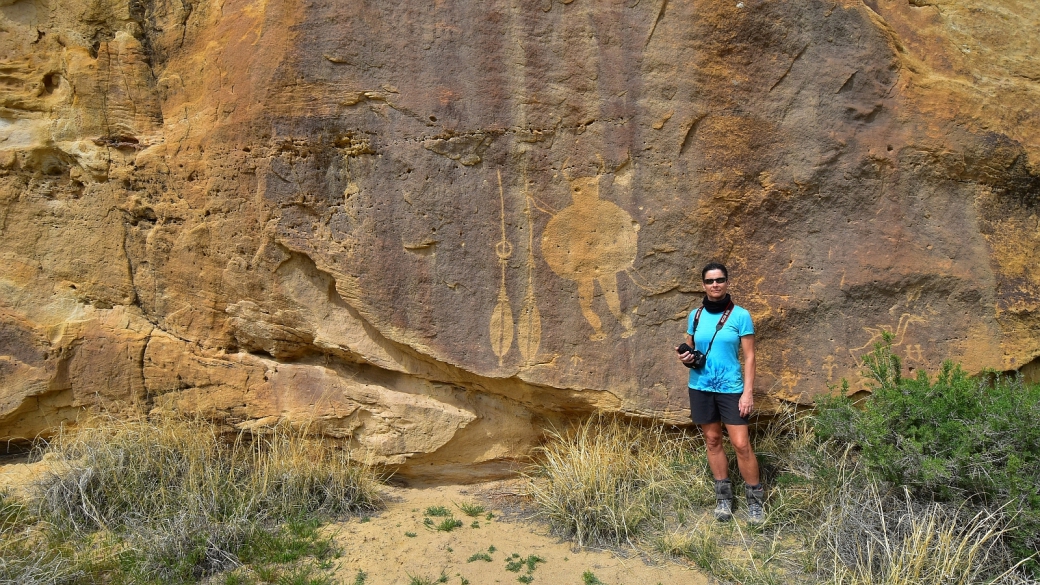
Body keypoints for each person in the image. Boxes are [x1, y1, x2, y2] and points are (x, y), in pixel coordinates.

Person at [676, 262, 765, 523]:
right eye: (710, 281)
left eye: (720, 280)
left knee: (741, 444)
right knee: (713, 441)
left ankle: (755, 502)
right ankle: (724, 499)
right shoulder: (694, 315)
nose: (715, 285)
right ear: (703, 285)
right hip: (701, 387)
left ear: (727, 282)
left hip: (731, 389)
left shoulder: (741, 316)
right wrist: (686, 357)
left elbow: (749, 357)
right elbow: (691, 349)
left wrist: (747, 393)